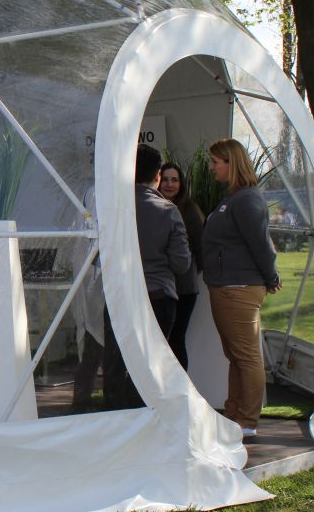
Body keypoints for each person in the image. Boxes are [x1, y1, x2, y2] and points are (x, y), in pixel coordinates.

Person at [202, 139, 280, 440]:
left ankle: (247, 419)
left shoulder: (246, 200)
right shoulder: (234, 198)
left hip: (238, 287)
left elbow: (261, 244)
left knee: (246, 356)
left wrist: (270, 277)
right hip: (227, 286)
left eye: (215, 162)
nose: (211, 168)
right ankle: (234, 413)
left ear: (231, 163)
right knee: (236, 355)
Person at [104, 144, 190, 409]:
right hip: (158, 296)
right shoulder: (168, 211)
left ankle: (116, 416)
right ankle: (147, 417)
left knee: (117, 362)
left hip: (121, 295)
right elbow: (182, 264)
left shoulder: (112, 209)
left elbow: (99, 256)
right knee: (153, 366)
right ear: (157, 175)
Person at [158, 161, 205, 371]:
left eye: (174, 180)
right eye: (165, 179)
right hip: (159, 287)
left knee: (176, 339)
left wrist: (189, 271)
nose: (169, 184)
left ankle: (180, 386)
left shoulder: (189, 211)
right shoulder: (152, 207)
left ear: (181, 184)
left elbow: (202, 249)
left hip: (184, 288)